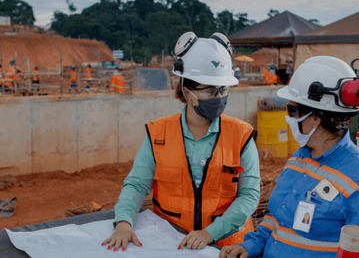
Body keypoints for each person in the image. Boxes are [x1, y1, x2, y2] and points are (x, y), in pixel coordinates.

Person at [102, 31, 260, 252]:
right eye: (210, 90)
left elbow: (249, 195)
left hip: (226, 247)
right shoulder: (158, 133)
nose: (219, 97)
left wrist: (209, 233)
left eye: (223, 89)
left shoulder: (241, 135)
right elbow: (137, 184)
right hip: (172, 244)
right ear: (187, 91)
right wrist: (123, 222)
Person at [220, 56, 359, 258]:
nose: (288, 118)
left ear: (314, 118)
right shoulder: (298, 159)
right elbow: (276, 217)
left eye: (292, 110)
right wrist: (252, 244)